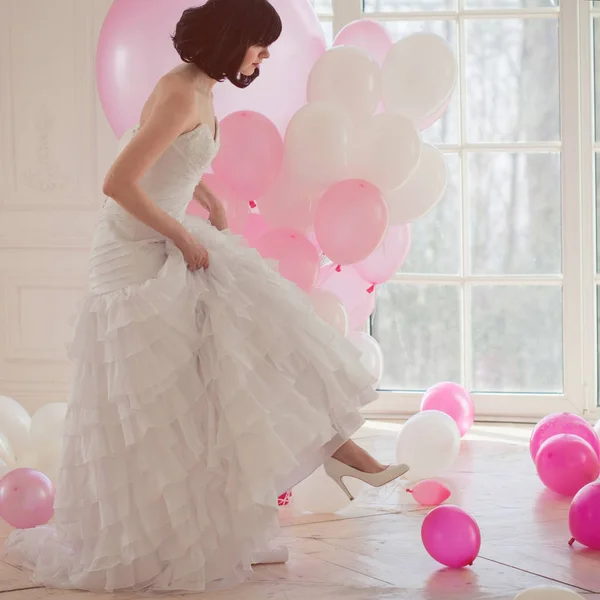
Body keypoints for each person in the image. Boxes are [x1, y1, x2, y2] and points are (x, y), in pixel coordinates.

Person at [4, 0, 409, 593]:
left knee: (245, 348)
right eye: (260, 43)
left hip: (166, 235)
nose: (265, 55)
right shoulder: (179, 92)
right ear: (232, 39)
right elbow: (118, 183)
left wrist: (209, 200)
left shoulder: (198, 89)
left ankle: (336, 451)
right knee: (161, 399)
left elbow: (170, 161)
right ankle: (330, 457)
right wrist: (180, 234)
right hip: (135, 255)